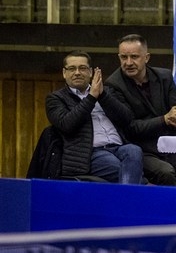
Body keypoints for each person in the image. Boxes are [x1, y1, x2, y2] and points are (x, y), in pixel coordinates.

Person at [106, 34, 176, 187]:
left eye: (134, 57)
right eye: (124, 57)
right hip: (142, 151)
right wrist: (164, 119)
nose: (128, 62)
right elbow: (130, 128)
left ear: (146, 57)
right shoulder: (113, 85)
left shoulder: (164, 76)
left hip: (169, 147)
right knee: (166, 173)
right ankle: (168, 203)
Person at [44, 51, 143, 184]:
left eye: (82, 68)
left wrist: (102, 96)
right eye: (72, 69)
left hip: (119, 147)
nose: (77, 73)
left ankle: (129, 190)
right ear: (64, 73)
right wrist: (91, 97)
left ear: (91, 72)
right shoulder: (56, 98)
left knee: (134, 150)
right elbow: (67, 125)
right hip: (89, 154)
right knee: (123, 170)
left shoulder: (107, 92)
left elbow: (127, 118)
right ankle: (133, 192)